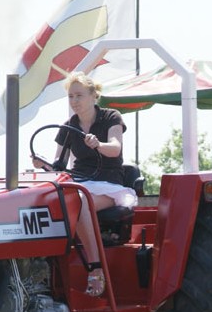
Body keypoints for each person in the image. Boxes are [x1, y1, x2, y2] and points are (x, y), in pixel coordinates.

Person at [32, 71, 136, 297]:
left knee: (77, 201)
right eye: (71, 96)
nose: (74, 101)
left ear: (93, 95)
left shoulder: (111, 117)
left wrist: (98, 144)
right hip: (80, 182)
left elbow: (115, 148)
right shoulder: (68, 126)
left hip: (108, 184)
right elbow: (58, 166)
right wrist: (42, 164)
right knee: (56, 200)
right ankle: (42, 268)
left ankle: (95, 267)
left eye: (79, 95)